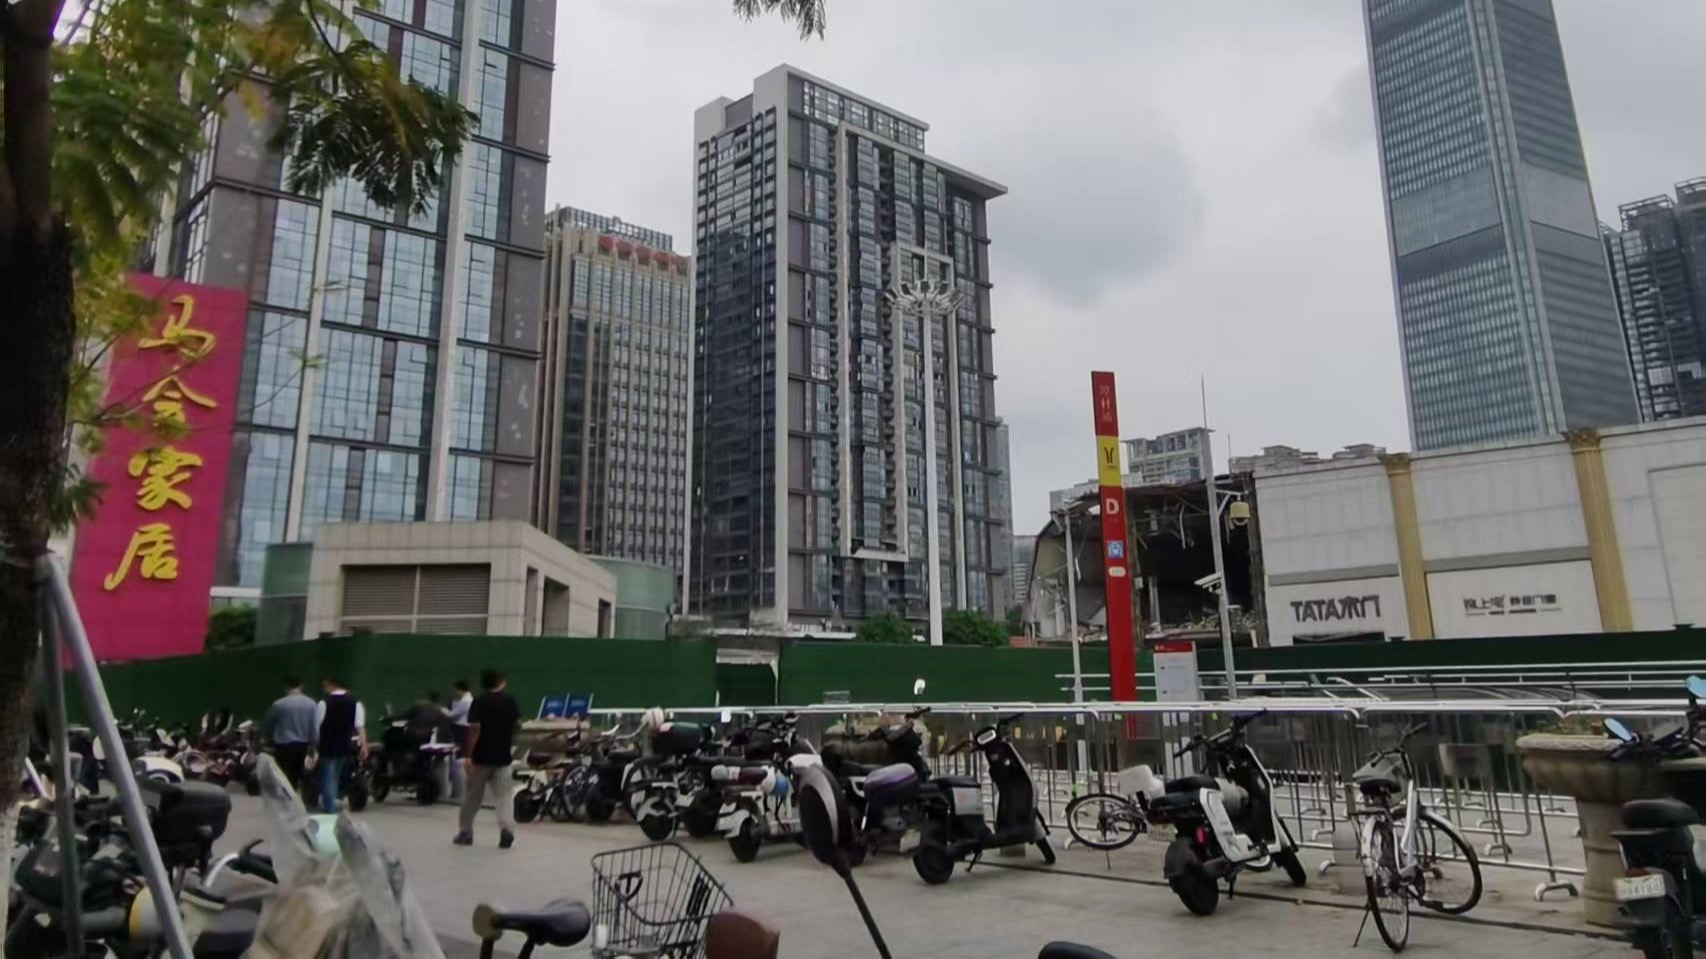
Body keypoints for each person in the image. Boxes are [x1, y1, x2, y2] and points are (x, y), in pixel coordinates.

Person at [454, 670, 520, 848]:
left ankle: (466, 832)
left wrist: (469, 755)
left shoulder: (479, 701)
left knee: (473, 797)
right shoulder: (510, 701)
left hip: (481, 757)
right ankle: (506, 830)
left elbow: (474, 730)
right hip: (503, 757)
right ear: (500, 682)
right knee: (504, 797)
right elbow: (516, 725)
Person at [313, 676, 368, 814]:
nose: (324, 689)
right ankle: (333, 801)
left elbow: (317, 727)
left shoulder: (324, 703)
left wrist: (314, 746)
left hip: (326, 745)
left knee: (327, 776)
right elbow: (360, 726)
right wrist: (364, 745)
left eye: (325, 686)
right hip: (344, 745)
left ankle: (329, 806)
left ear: (332, 685)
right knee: (336, 775)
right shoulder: (356, 703)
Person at [261, 677, 317, 792]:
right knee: (296, 774)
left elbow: (268, 723)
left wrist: (267, 737)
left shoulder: (279, 704)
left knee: (281, 773)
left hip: (283, 744)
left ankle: (283, 794)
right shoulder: (311, 704)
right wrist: (314, 744)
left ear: (286, 688)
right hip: (303, 744)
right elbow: (315, 725)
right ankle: (294, 792)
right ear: (301, 687)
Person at [447, 679, 473, 800]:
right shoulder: (465, 700)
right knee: (460, 756)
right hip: (462, 728)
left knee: (460, 757)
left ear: (460, 689)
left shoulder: (465, 701)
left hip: (462, 729)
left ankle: (461, 790)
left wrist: (443, 711)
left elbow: (453, 715)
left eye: (456, 690)